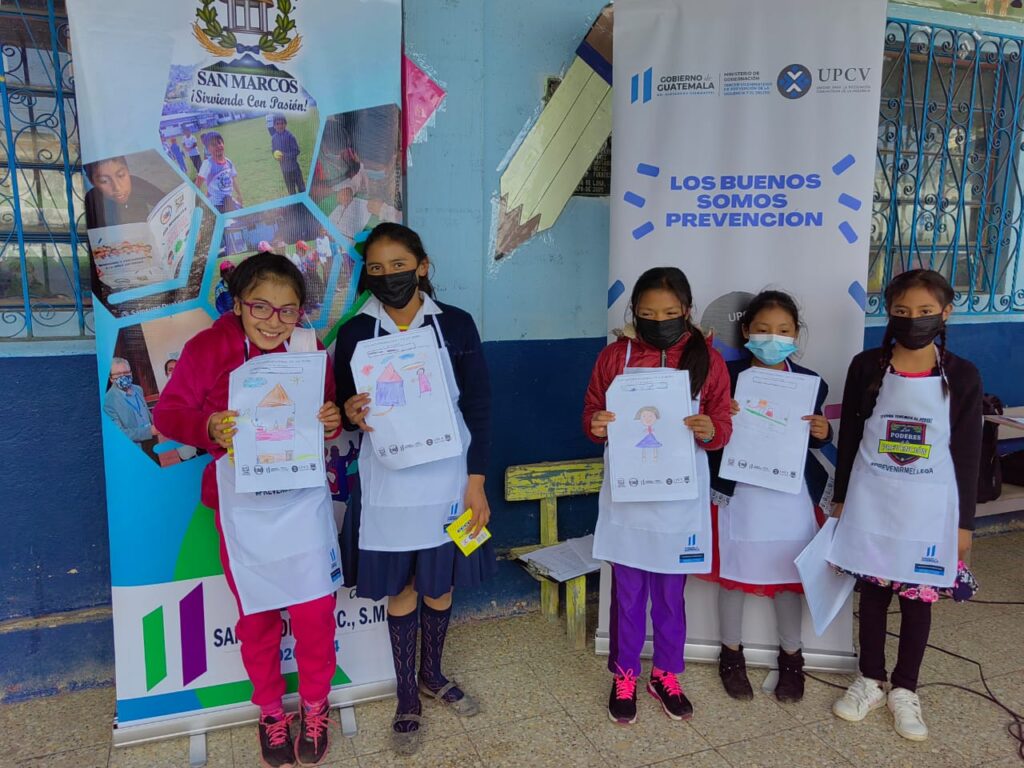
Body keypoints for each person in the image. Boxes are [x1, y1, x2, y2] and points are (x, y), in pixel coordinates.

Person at [154, 253, 343, 767]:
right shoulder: (209, 347)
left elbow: (326, 412)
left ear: (300, 312)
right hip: (242, 507)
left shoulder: (308, 348)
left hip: (301, 504)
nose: (274, 321)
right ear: (238, 304)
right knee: (257, 618)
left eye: (288, 310)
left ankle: (315, 704)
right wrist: (207, 427)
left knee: (315, 614)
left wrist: (330, 420)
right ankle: (270, 712)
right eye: (261, 306)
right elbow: (168, 413)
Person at [334, 223, 494, 755]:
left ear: (422, 266)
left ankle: (433, 674)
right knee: (401, 589)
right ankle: (407, 695)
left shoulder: (456, 325)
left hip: (450, 480)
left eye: (399, 265)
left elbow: (479, 406)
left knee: (440, 585)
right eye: (376, 269)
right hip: (389, 486)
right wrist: (351, 411)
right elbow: (346, 410)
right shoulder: (355, 332)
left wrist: (476, 483)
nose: (389, 277)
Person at [827, 269, 982, 742]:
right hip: (872, 502)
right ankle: (870, 680)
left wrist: (964, 525)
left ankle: (905, 689)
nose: (914, 319)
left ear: (945, 313)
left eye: (925, 311)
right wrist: (840, 499)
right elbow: (851, 438)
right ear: (889, 313)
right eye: (902, 311)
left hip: (928, 509)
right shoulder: (866, 366)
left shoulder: (961, 375)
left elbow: (968, 452)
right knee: (872, 595)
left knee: (917, 601)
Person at [583, 266, 733, 725]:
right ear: (634, 312)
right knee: (628, 594)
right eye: (648, 314)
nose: (659, 321)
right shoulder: (615, 357)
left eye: (669, 313)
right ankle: (625, 674)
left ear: (686, 309)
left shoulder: (708, 360)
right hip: (629, 495)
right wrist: (596, 425)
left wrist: (710, 430)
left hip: (680, 500)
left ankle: (666, 673)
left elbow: (723, 426)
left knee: (670, 595)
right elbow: (591, 412)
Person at [704, 290, 832, 703]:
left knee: (789, 578)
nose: (772, 338)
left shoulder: (812, 382)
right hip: (739, 492)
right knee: (733, 574)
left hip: (790, 495)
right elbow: (706, 433)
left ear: (795, 334)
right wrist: (720, 417)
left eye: (783, 331)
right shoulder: (725, 376)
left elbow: (813, 439)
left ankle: (792, 659)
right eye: (762, 329)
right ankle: (730, 655)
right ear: (746, 331)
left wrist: (823, 432)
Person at [83, 156, 165, 229]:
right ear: (92, 182)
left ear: (128, 170)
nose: (117, 187)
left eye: (121, 175)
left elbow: (164, 201)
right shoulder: (92, 201)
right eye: (104, 181)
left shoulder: (136, 184)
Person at [103, 357, 157, 444]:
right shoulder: (107, 401)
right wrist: (149, 431)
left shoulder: (138, 389)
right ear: (111, 378)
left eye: (126, 372)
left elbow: (145, 411)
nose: (123, 376)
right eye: (118, 374)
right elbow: (118, 433)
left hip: (152, 438)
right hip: (135, 444)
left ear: (131, 373)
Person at [197, 132, 243, 213]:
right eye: (214, 144)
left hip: (228, 201)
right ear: (208, 149)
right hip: (215, 205)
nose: (218, 146)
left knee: (243, 214)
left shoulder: (228, 162)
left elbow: (233, 179)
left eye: (219, 143)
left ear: (223, 144)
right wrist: (200, 202)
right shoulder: (207, 164)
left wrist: (239, 195)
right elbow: (197, 185)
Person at [272, 114, 306, 195]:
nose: (280, 126)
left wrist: (285, 156)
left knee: (301, 188)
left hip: (294, 168)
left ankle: (304, 201)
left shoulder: (290, 136)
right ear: (274, 126)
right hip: (285, 170)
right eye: (277, 124)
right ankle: (295, 203)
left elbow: (297, 151)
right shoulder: (274, 138)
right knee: (291, 191)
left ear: (285, 124)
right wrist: (276, 156)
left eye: (282, 123)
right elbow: (273, 151)